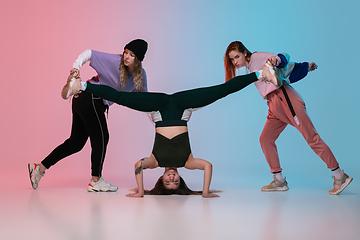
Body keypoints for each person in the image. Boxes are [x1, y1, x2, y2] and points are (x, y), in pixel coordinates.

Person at [62, 62, 278, 197]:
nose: (172, 179)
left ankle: (81, 86)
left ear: (161, 180)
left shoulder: (155, 162)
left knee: (123, 98)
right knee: (221, 90)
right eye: (176, 183)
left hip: (159, 108)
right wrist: (204, 193)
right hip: (183, 106)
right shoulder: (188, 162)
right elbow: (208, 166)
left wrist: (140, 191)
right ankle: (262, 74)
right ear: (180, 181)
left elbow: (139, 165)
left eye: (167, 182)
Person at [224, 41, 353, 195]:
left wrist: (277, 60)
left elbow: (282, 57)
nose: (235, 62)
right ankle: (279, 180)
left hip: (286, 100)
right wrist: (306, 67)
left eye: (236, 57)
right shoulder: (250, 66)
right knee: (265, 139)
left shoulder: (257, 57)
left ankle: (340, 175)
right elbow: (284, 70)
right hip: (273, 105)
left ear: (245, 52)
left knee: (311, 137)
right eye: (232, 59)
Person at [28, 39, 149, 192]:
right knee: (102, 137)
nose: (126, 57)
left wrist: (155, 115)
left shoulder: (141, 76)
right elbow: (89, 53)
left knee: (75, 143)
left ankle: (38, 169)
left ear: (138, 60)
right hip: (90, 97)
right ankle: (96, 180)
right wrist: (75, 69)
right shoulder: (115, 61)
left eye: (131, 55)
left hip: (83, 100)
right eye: (125, 52)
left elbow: (145, 99)